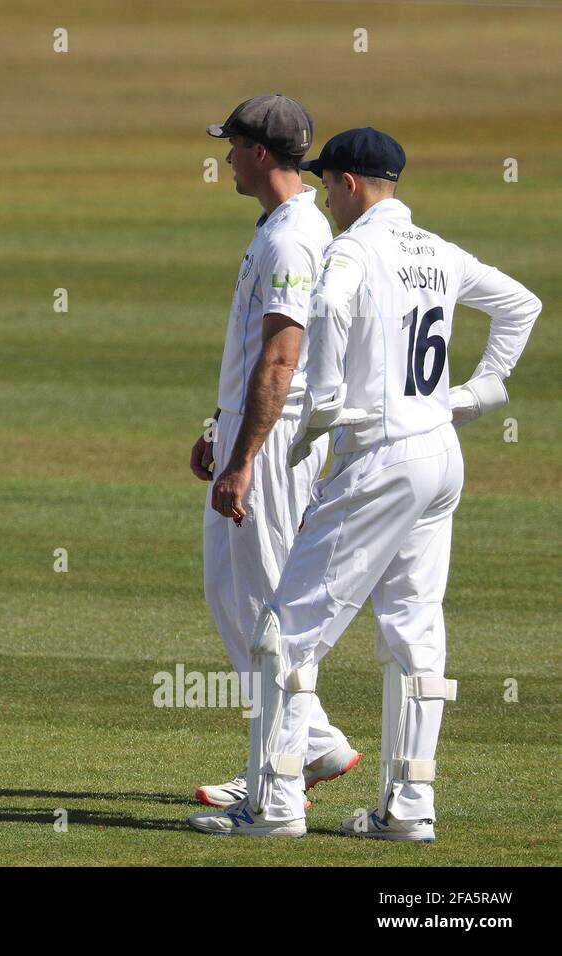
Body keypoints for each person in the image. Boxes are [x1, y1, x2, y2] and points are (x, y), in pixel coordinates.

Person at [188, 128, 541, 839]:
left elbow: (326, 311)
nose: (325, 193)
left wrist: (319, 409)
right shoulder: (437, 250)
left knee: (282, 634)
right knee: (415, 635)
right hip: (440, 453)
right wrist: (479, 394)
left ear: (349, 183)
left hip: (379, 456)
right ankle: (409, 809)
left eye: (330, 182)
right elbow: (521, 306)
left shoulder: (350, 249)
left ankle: (275, 804)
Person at [191, 95, 357, 808]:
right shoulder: (281, 228)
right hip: (252, 428)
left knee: (266, 608)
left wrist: (243, 455)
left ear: (262, 153)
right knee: (233, 596)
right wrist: (221, 426)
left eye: (233, 145)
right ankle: (312, 745)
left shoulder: (293, 239)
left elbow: (282, 361)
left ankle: (279, 764)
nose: (225, 156)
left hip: (275, 439)